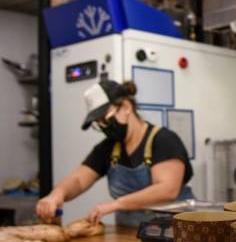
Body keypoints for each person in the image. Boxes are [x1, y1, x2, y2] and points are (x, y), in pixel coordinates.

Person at [36, 80, 194, 226]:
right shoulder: (108, 148)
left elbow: (167, 189)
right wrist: (57, 195)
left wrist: (116, 204)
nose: (104, 127)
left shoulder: (164, 140)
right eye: (99, 124)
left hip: (176, 233)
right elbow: (78, 179)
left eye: (105, 119)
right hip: (128, 236)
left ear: (126, 107)